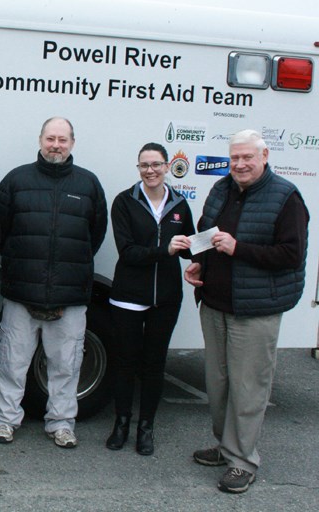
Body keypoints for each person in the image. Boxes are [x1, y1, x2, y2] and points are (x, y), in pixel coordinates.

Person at [185, 129, 308, 494]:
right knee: (218, 385)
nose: (239, 164)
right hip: (215, 303)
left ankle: (243, 461)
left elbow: (290, 256)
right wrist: (199, 264)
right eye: (234, 157)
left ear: (265, 155)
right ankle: (226, 448)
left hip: (255, 310)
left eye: (247, 158)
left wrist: (239, 248)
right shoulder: (223, 189)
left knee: (248, 388)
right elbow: (206, 234)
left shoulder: (286, 197)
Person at [0, 117, 107, 448]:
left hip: (69, 295)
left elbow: (94, 235)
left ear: (72, 143)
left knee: (67, 364)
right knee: (11, 361)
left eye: (63, 139)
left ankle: (61, 423)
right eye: (50, 138)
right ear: (40, 139)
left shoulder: (88, 184)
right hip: (21, 291)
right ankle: (5, 420)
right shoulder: (16, 180)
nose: (56, 145)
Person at [105, 143, 194, 455]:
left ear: (167, 166)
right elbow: (127, 252)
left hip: (166, 298)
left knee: (154, 364)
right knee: (125, 362)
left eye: (156, 164)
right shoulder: (125, 202)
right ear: (138, 168)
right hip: (129, 296)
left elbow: (189, 247)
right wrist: (165, 250)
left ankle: (146, 428)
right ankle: (121, 423)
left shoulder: (180, 203)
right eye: (144, 165)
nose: (150, 170)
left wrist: (200, 252)